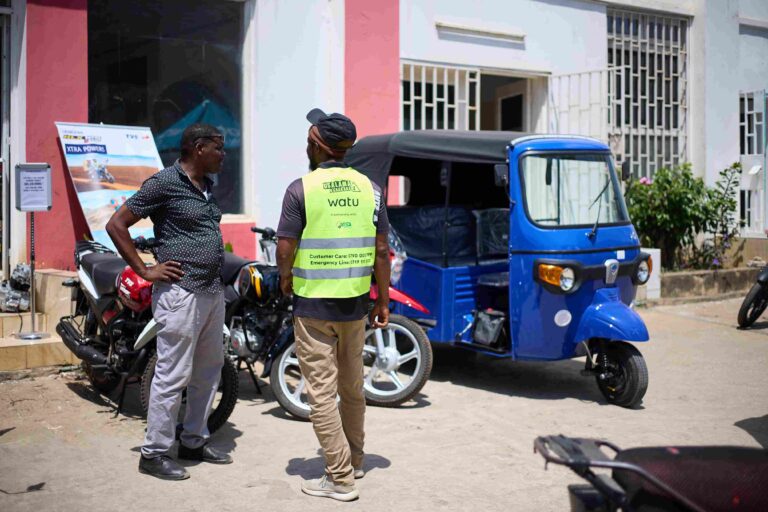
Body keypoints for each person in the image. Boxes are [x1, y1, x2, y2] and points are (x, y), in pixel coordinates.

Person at [105, 123, 232, 481]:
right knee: (172, 373)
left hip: (211, 291)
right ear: (198, 147)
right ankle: (154, 453)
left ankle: (193, 440)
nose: (224, 155)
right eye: (219, 148)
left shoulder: (207, 186)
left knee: (209, 370)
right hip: (181, 293)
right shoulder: (164, 183)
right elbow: (117, 224)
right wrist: (144, 269)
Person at [276, 108, 391, 502]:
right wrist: (383, 301)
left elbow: (285, 245)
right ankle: (355, 460)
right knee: (352, 388)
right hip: (356, 306)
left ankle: (340, 478)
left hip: (313, 309)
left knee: (321, 394)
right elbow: (381, 251)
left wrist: (285, 278)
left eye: (309, 139)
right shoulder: (372, 189)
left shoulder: (300, 189)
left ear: (316, 144)